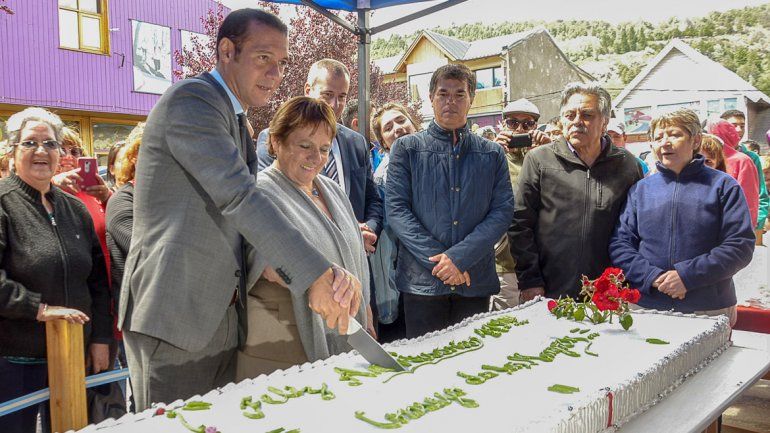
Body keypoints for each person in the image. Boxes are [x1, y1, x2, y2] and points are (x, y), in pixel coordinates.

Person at [118, 9, 362, 411]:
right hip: (177, 315)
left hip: (221, 321)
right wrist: (314, 274)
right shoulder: (192, 101)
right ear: (227, 51)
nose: (275, 74)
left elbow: (238, 226)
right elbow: (240, 198)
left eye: (282, 64)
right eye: (264, 58)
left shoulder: (233, 115)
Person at [238, 97, 373, 377]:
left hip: (346, 331)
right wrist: (320, 275)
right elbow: (263, 259)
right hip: (284, 340)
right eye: (305, 146)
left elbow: (355, 258)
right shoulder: (258, 193)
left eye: (324, 149)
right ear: (276, 142)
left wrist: (366, 315)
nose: (317, 157)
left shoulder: (332, 189)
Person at [0, 107, 112, 433]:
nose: (41, 151)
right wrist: (40, 309)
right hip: (15, 360)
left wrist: (101, 338)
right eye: (30, 143)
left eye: (50, 144)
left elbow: (97, 282)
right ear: (12, 151)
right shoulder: (4, 203)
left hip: (72, 354)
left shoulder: (74, 208)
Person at [386, 64, 514, 338]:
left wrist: (459, 258)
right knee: (425, 364)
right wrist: (443, 265)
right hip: (423, 282)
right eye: (443, 94)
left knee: (472, 360)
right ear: (431, 97)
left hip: (474, 279)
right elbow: (397, 211)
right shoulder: (407, 149)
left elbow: (502, 212)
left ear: (471, 99)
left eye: (460, 94)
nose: (451, 102)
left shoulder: (491, 154)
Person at [609, 109, 755, 326]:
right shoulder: (640, 190)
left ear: (696, 140)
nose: (665, 143)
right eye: (658, 137)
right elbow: (620, 244)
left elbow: (739, 246)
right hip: (646, 305)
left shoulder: (723, 186)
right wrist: (653, 277)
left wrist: (686, 277)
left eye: (674, 135)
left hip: (708, 307)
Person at [509, 82, 643, 302]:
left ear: (604, 122)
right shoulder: (539, 160)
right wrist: (530, 280)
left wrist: (629, 280)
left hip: (610, 290)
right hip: (550, 289)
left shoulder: (628, 165)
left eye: (587, 115)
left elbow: (637, 228)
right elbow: (520, 223)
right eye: (570, 115)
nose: (577, 122)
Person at [256, 59, 384, 258]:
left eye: (342, 96)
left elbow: (372, 199)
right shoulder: (274, 137)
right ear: (308, 89)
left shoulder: (357, 142)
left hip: (357, 259)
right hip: (307, 259)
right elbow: (273, 202)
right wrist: (346, 233)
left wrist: (369, 230)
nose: (335, 105)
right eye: (328, 95)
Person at [491, 98, 550, 309]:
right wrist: (491, 156)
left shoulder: (546, 158)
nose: (519, 129)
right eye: (512, 123)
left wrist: (550, 151)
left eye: (527, 124)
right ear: (503, 124)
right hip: (503, 263)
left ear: (536, 127)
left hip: (540, 263)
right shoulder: (492, 157)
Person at [369, 102, 420, 342]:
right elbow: (387, 247)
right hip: (407, 282)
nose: (397, 128)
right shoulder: (383, 178)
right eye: (388, 127)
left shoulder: (440, 158)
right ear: (383, 141)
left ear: (413, 123)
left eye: (401, 121)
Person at [706, 119, 760, 229]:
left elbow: (748, 201)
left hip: (732, 230)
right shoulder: (705, 158)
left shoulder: (742, 160)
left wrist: (744, 232)